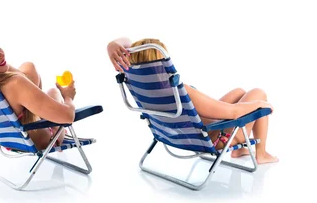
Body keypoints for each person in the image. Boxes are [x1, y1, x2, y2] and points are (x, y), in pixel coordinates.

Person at [106, 37, 279, 164]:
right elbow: (234, 112)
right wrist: (261, 105)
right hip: (217, 139)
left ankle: (241, 150)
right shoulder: (179, 91)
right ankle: (261, 154)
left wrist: (111, 45)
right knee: (258, 93)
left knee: (239, 92)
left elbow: (126, 41)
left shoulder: (143, 87)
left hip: (181, 135)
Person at [0, 32, 76, 151]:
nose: (1, 54)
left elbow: (20, 73)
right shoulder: (15, 84)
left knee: (28, 66)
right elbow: (68, 117)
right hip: (45, 140)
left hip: (10, 140)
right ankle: (51, 120)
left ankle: (42, 107)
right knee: (53, 91)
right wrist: (67, 96)